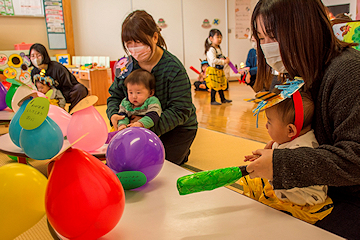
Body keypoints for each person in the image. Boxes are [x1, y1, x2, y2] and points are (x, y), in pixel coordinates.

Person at [246, 0, 360, 239]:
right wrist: (280, 146)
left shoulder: (348, 73)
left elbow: (355, 158)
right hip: (322, 189)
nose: (267, 47)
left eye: (273, 36)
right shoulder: (299, 72)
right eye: (261, 38)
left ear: (305, 28)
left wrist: (281, 162)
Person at [107, 10, 198, 166]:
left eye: (139, 42)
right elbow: (114, 96)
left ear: (155, 37)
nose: (134, 48)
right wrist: (114, 116)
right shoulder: (126, 66)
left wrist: (145, 126)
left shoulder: (173, 68)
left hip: (176, 128)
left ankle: (181, 152)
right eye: (129, 44)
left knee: (159, 165)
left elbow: (181, 110)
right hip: (134, 125)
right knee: (123, 163)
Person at [242, 90, 334, 224]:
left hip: (301, 204)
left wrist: (265, 167)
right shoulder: (292, 137)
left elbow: (281, 171)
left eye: (269, 122)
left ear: (290, 130)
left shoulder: (304, 150)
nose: (266, 126)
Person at [29, 43, 88, 112]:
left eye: (38, 55)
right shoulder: (34, 72)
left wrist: (59, 99)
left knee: (80, 89)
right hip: (47, 95)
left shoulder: (57, 68)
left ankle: (73, 112)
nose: (35, 58)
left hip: (63, 93)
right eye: (32, 56)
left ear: (44, 55)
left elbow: (68, 85)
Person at [204, 29, 232, 105]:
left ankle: (223, 99)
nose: (219, 39)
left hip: (219, 70)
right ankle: (212, 100)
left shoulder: (218, 48)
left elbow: (219, 57)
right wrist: (223, 61)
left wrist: (225, 59)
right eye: (217, 37)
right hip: (213, 70)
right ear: (211, 38)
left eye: (220, 37)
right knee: (214, 85)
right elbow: (213, 60)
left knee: (220, 84)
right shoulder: (211, 49)